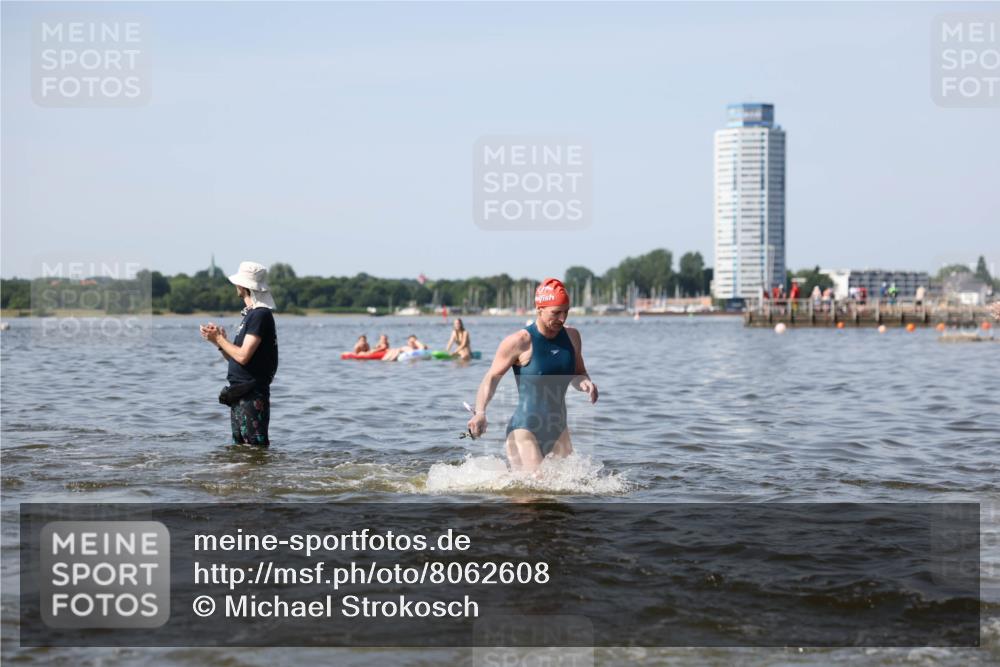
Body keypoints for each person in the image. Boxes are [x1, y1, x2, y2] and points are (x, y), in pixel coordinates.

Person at [467, 278, 598, 472]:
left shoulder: (572, 337)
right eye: (556, 312)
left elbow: (578, 373)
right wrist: (480, 413)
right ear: (539, 309)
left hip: (559, 430)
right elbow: (491, 378)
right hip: (524, 429)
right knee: (535, 493)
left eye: (566, 311)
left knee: (570, 493)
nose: (562, 318)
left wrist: (585, 382)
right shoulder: (520, 341)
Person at [200, 261, 279, 447]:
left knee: (254, 447)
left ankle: (258, 476)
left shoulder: (260, 314)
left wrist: (220, 339)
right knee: (241, 449)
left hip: (252, 393)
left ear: (243, 286)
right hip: (240, 392)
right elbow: (237, 358)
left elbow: (243, 356)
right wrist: (218, 342)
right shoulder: (251, 315)